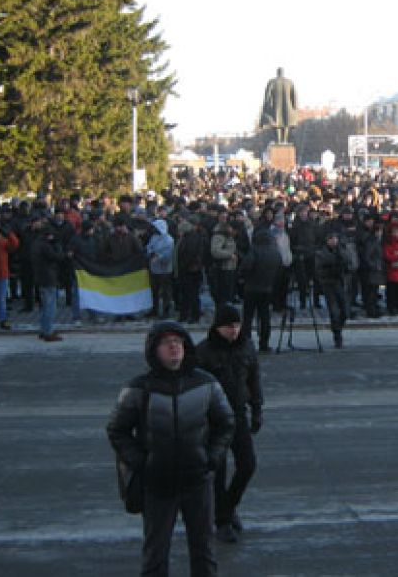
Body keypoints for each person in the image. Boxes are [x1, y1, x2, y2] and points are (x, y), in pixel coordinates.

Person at [106, 321, 235, 577]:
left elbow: (226, 423)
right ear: (154, 350)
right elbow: (117, 430)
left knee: (204, 553)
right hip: (157, 483)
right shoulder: (139, 388)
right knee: (155, 555)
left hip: (197, 480)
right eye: (167, 343)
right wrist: (142, 462)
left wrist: (211, 458)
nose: (174, 347)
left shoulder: (205, 384)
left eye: (178, 342)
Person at [196, 305, 263, 544]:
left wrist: (257, 409)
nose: (234, 331)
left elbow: (254, 379)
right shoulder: (203, 352)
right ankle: (222, 521)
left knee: (247, 465)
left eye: (237, 325)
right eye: (229, 326)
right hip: (213, 419)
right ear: (217, 327)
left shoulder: (246, 346)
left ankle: (227, 508)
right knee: (218, 470)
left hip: (238, 414)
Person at [240, 228, 282, 353]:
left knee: (248, 317)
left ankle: (246, 343)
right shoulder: (275, 252)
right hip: (268, 288)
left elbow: (246, 266)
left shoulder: (255, 250)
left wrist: (242, 277)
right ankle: (264, 343)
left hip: (252, 288)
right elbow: (280, 270)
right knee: (265, 317)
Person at [30, 219, 63, 342]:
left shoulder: (36, 243)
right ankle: (48, 331)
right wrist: (57, 246)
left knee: (45, 306)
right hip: (48, 277)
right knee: (50, 306)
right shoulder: (45, 245)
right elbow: (57, 257)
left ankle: (44, 329)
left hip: (40, 277)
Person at [261, 67, 298, 144]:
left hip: (275, 108)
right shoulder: (289, 82)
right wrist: (294, 107)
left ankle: (278, 141)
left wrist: (266, 108)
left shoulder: (272, 82)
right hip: (288, 108)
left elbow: (267, 97)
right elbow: (294, 96)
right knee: (286, 123)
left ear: (277, 73)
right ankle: (284, 141)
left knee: (276, 123)